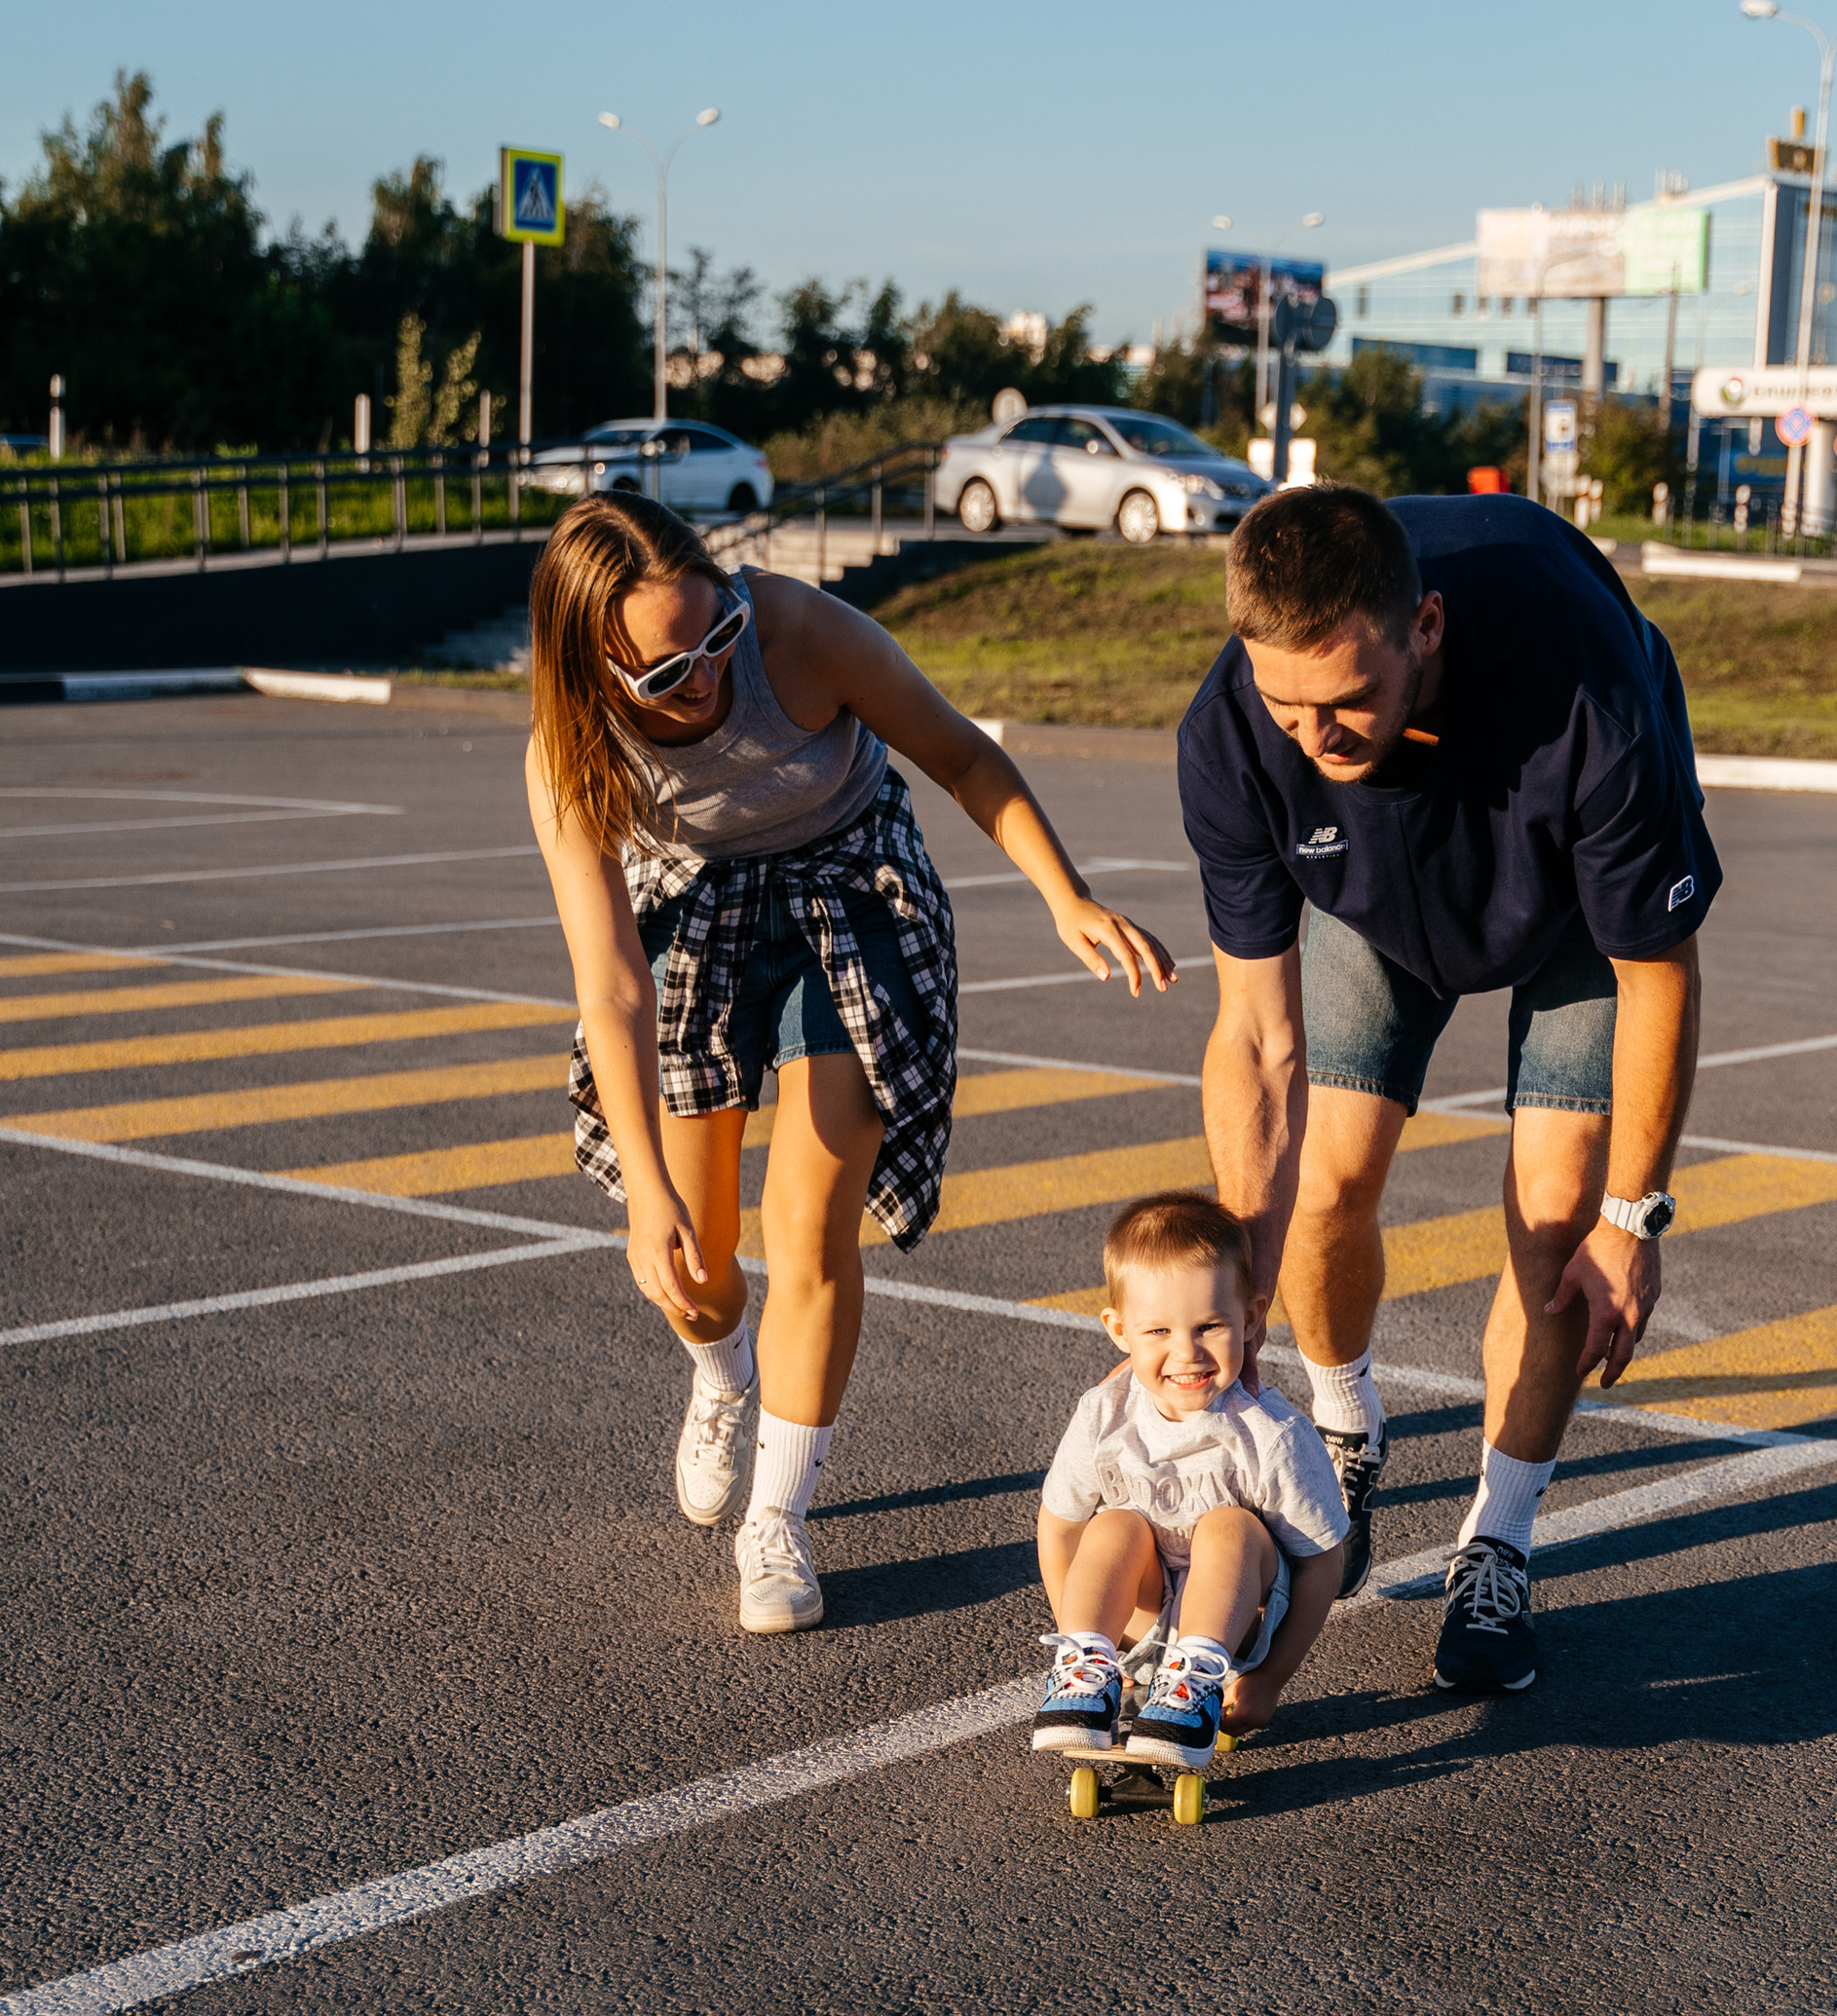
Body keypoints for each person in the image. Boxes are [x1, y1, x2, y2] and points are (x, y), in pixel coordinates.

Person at [526, 493, 1173, 1632]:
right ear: (594, 669)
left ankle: (777, 1519)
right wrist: (644, 1202)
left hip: (850, 882)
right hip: (699, 911)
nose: (706, 676)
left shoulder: (801, 633)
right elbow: (613, 983)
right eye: (664, 672)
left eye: (716, 634)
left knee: (810, 1222)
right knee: (696, 1248)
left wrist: (1063, 895)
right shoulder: (568, 754)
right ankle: (723, 1370)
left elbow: (964, 755)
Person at [1181, 483, 1713, 1699]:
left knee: (1557, 1216)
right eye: (1286, 705)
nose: (1315, 738)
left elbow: (1657, 974)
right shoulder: (1230, 734)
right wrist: (1241, 1272)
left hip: (1571, 905)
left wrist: (1635, 1221)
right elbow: (1257, 1035)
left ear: (1423, 626)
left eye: (1347, 699)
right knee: (1320, 1185)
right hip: (1376, 901)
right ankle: (1347, 1426)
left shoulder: (1588, 697)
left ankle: (1500, 1541)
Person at [1031, 1193, 1349, 1776]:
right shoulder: (1104, 1415)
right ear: (1118, 1329)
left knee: (1228, 1526)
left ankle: (1193, 1678)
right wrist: (1085, 1633)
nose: (1186, 1352)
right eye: (1158, 1330)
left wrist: (1270, 1680)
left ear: (1250, 1320)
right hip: (1140, 1625)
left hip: (1237, 1628)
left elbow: (1324, 1562)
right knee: (1114, 1524)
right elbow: (1057, 1529)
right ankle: (1086, 1672)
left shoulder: (1269, 1433)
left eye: (1209, 1326)